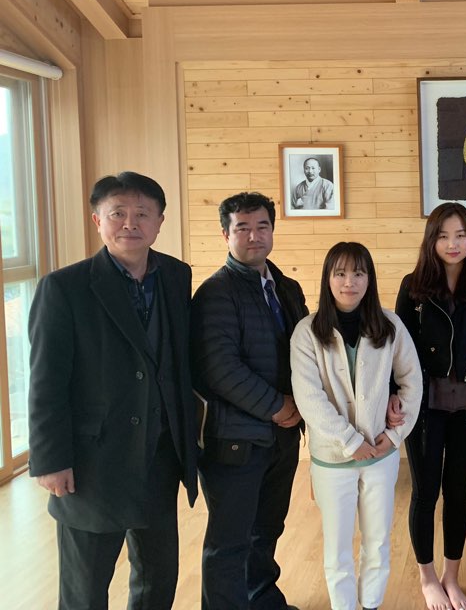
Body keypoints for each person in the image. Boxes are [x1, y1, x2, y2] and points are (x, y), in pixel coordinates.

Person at [28, 171, 198, 609]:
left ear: (160, 221)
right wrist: (51, 460)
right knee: (85, 589)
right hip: (92, 464)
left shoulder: (176, 276)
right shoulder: (63, 287)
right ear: (97, 221)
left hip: (160, 455)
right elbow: (46, 381)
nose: (130, 223)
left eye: (142, 213)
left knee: (158, 577)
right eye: (117, 213)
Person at [192, 191, 308, 610]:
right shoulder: (215, 293)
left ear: (273, 231)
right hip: (235, 441)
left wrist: (305, 405)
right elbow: (219, 368)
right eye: (242, 228)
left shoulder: (287, 288)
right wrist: (278, 406)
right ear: (226, 235)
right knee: (229, 539)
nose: (254, 236)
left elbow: (308, 353)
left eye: (262, 226)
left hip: (282, 437)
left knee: (267, 529)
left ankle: (261, 600)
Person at [290, 242, 422, 610]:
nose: (349, 282)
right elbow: (309, 398)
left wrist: (394, 436)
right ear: (328, 279)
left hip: (381, 454)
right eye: (341, 273)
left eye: (358, 273)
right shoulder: (306, 332)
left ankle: (372, 604)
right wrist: (351, 441)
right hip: (333, 459)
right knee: (337, 547)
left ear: (369, 279)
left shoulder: (390, 325)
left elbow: (412, 382)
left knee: (378, 541)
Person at [395, 203, 466, 610]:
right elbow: (398, 349)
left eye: (461, 235)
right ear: (431, 240)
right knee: (425, 492)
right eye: (443, 236)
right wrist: (395, 397)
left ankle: (452, 577)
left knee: (459, 492)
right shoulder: (413, 287)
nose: (453, 244)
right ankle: (428, 578)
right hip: (425, 407)